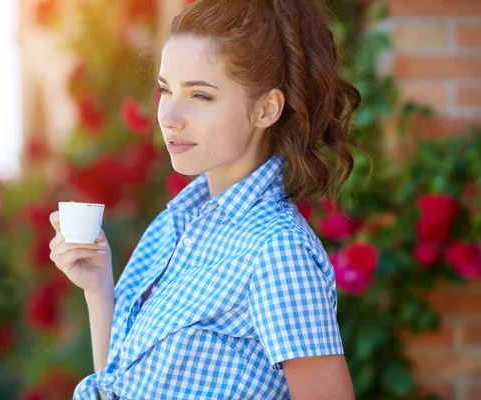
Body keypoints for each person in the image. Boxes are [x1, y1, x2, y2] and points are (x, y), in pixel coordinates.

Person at [49, 0, 366, 398]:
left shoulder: (277, 250)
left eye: (200, 95)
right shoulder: (172, 228)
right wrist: (98, 288)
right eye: (166, 89)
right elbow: (119, 386)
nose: (169, 116)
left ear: (267, 108)